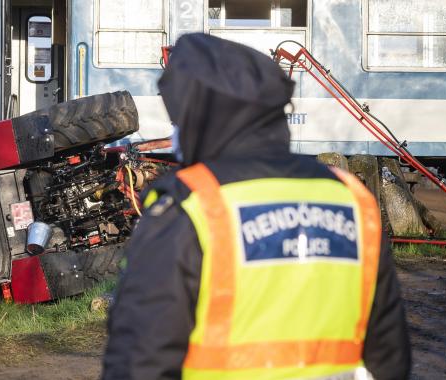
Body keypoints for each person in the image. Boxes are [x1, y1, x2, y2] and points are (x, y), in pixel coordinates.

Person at [103, 33, 411, 380]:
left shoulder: (192, 206)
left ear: (199, 115)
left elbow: (139, 361)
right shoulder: (352, 199)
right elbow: (389, 356)